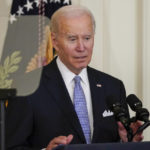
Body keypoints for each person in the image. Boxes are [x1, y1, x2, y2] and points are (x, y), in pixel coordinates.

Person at [6, 5, 143, 150]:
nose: (81, 47)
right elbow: (10, 147)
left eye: (87, 38)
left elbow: (116, 142)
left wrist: (126, 142)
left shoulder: (113, 87)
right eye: (72, 39)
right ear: (54, 41)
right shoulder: (27, 87)